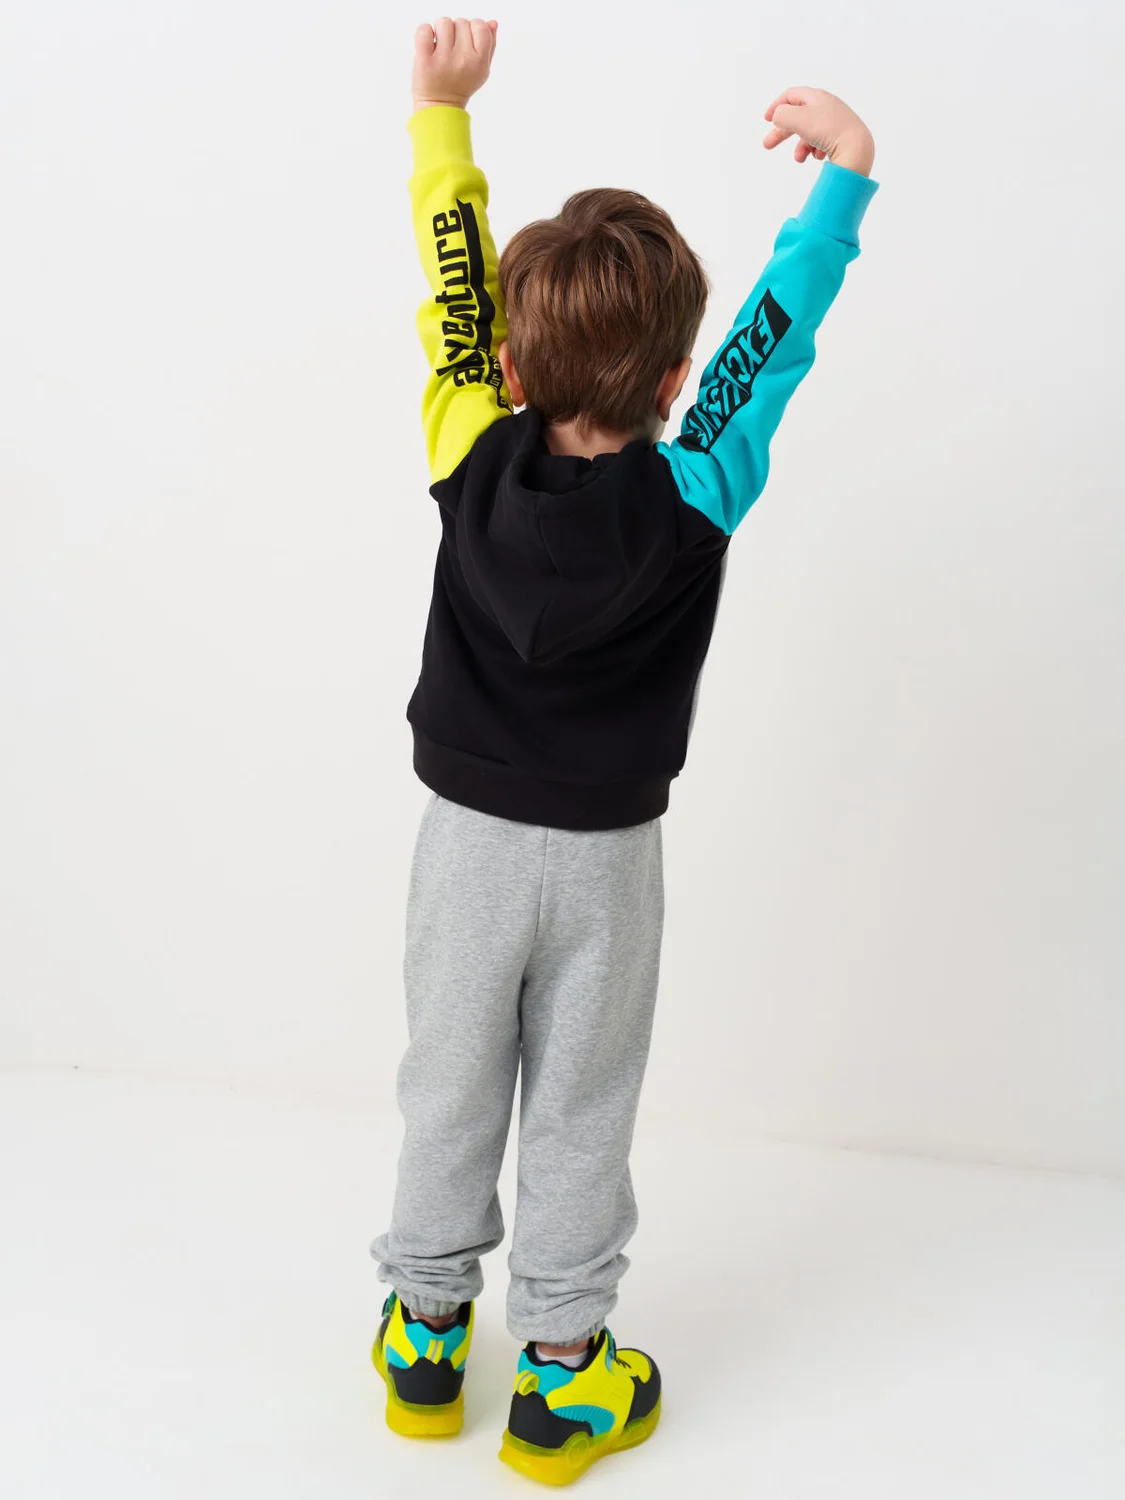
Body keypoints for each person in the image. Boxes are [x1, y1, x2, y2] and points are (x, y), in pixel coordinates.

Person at [371, 15, 878, 1486]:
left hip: (464, 845)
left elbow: (452, 283)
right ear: (671, 385)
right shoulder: (699, 480)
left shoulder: (468, 438)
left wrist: (443, 121)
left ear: (512, 364)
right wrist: (842, 179)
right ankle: (561, 1376)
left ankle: (423, 1338)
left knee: (447, 1078)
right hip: (604, 862)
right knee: (583, 1106)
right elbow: (773, 340)